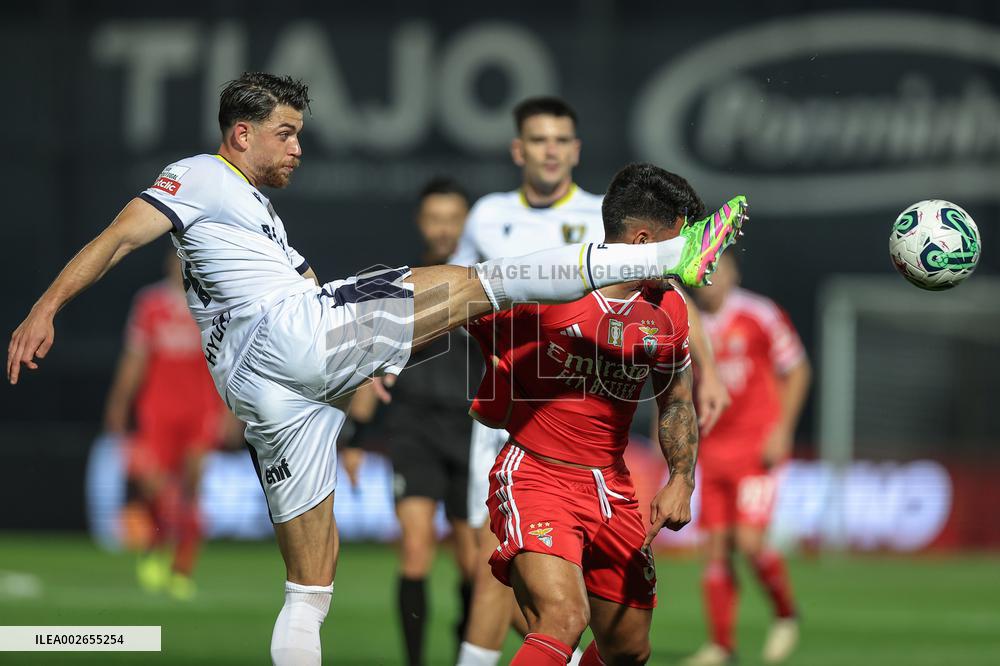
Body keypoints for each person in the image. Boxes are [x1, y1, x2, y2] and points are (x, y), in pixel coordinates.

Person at [6, 72, 746, 666]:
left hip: (265, 391)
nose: (297, 147)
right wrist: (46, 306)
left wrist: (362, 367)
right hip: (286, 337)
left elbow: (316, 293)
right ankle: (667, 255)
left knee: (309, 587)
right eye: (285, 133)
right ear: (241, 134)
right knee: (472, 281)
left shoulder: (256, 217)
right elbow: (116, 237)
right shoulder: (199, 175)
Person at [451, 96, 733, 666]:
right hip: (536, 474)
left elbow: (676, 398)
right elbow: (456, 302)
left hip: (611, 485)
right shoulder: (549, 295)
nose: (686, 257)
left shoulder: (670, 308)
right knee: (563, 618)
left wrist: (682, 476)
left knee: (628, 649)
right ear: (640, 244)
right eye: (677, 242)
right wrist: (376, 356)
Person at [343, 178, 479, 665]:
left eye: (452, 218)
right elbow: (368, 364)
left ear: (465, 222)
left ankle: (469, 655)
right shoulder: (401, 284)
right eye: (434, 218)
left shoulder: (483, 282)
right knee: (416, 551)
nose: (443, 228)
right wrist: (354, 436)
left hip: (473, 431)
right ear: (422, 223)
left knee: (472, 563)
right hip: (412, 427)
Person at [681, 253, 810, 666]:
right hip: (712, 449)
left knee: (750, 543)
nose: (711, 279)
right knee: (715, 550)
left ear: (734, 273)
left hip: (756, 449)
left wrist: (782, 429)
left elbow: (798, 369)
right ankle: (720, 645)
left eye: (719, 270)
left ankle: (786, 614)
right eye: (704, 272)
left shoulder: (759, 314)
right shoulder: (686, 322)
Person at [103, 249, 228, 600]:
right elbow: (135, 358)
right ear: (170, 263)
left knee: (192, 488)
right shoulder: (150, 304)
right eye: (178, 260)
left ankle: (182, 569)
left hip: (200, 411)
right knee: (157, 489)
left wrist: (230, 411)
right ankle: (154, 546)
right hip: (157, 410)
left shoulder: (214, 305)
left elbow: (226, 361)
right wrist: (118, 402)